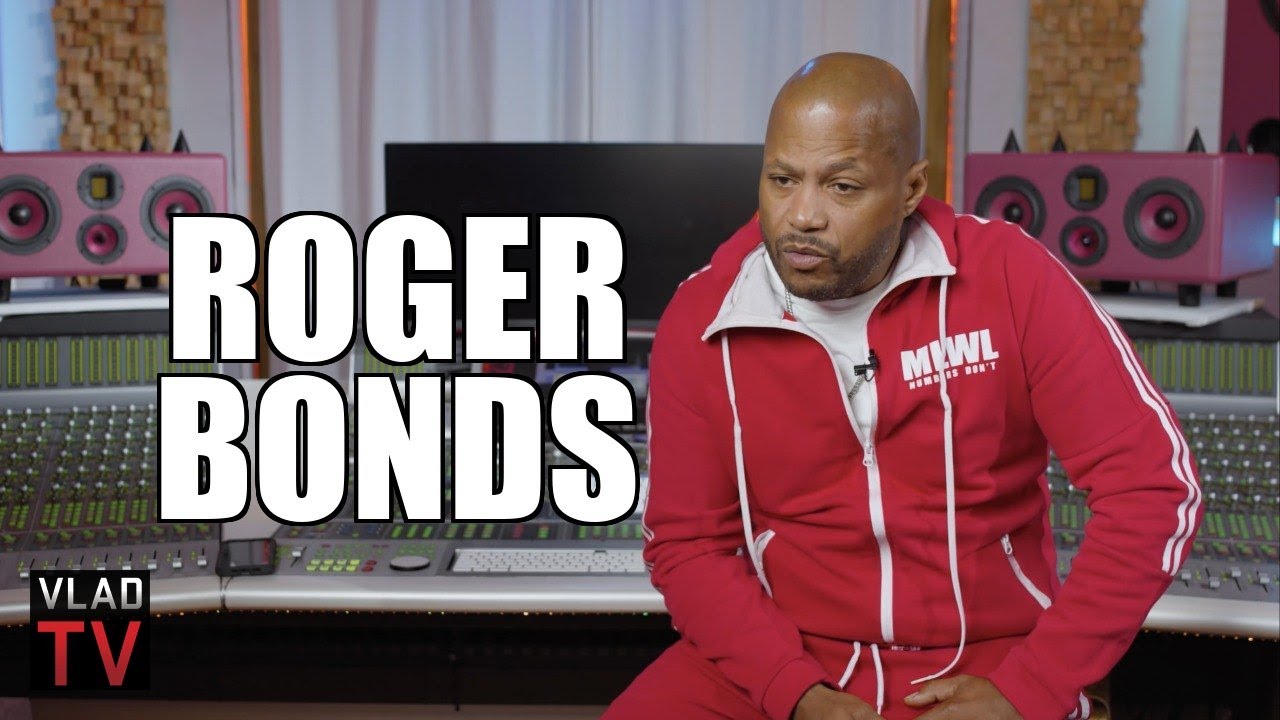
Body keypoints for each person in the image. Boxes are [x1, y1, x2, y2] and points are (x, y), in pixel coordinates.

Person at [603, 53, 1201, 720]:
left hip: (992, 660)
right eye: (782, 179)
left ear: (912, 188)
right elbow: (688, 545)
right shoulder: (701, 315)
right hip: (780, 656)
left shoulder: (1012, 278)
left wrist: (1032, 686)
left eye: (842, 187)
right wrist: (793, 692)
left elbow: (1152, 489)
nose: (801, 216)